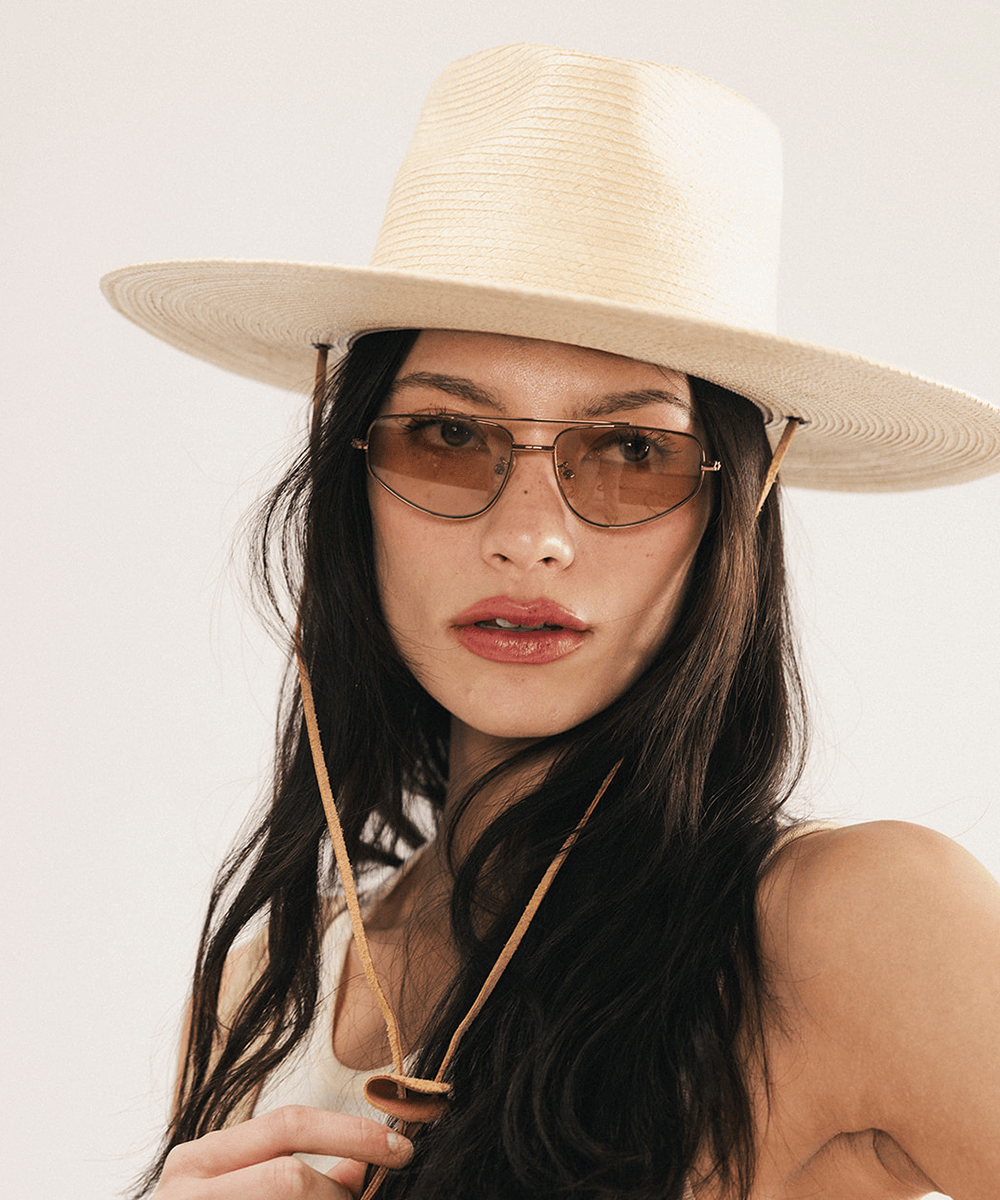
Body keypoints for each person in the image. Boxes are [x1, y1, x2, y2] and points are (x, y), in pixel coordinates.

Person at [102, 43, 1000, 1200]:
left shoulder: (849, 926)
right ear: (351, 486)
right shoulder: (258, 990)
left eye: (631, 452)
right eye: (448, 435)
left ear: (733, 513)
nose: (531, 535)